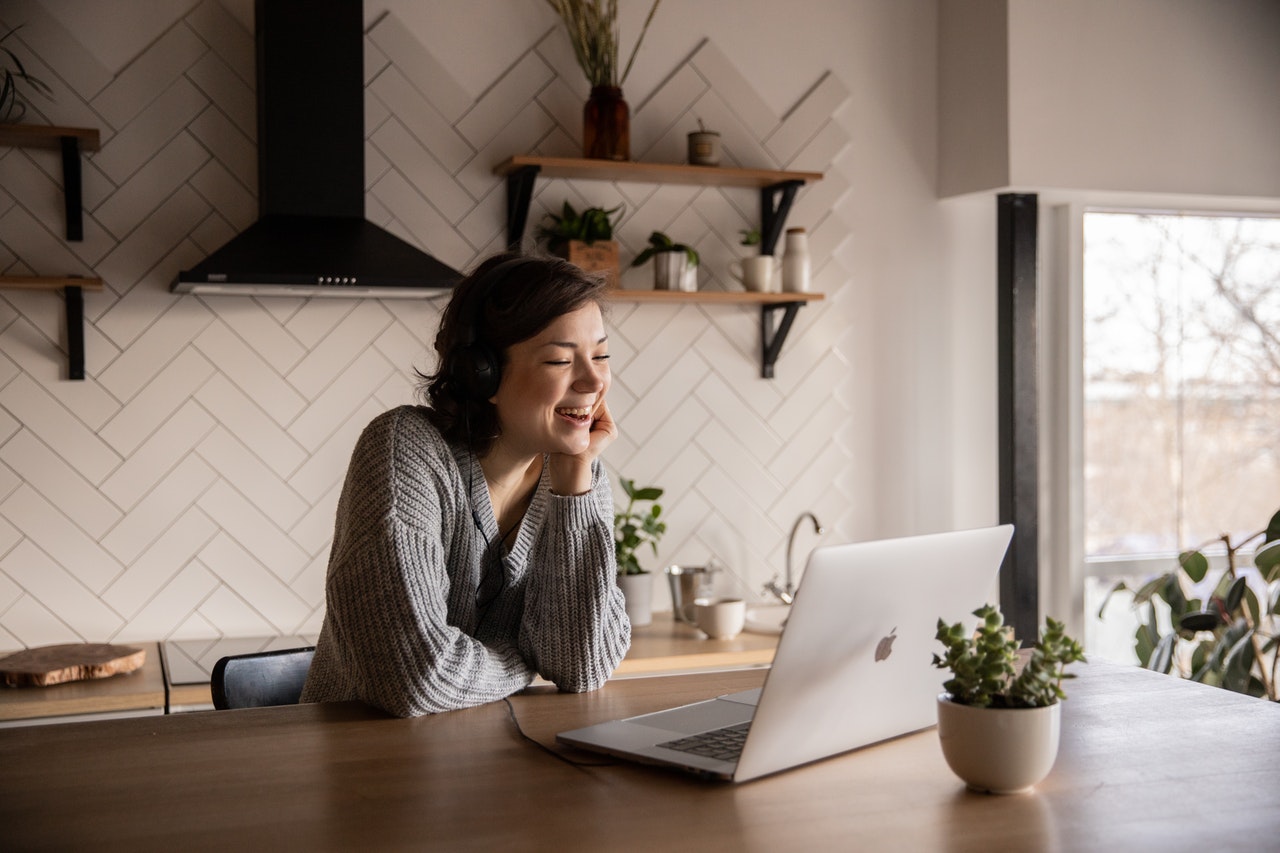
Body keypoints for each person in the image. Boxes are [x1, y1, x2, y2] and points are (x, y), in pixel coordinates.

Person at [301, 252, 630, 716]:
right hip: (363, 767)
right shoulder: (405, 449)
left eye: (601, 355)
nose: (594, 380)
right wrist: (522, 659)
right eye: (560, 360)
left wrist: (575, 487)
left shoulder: (579, 478)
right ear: (483, 375)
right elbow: (415, 677)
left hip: (488, 765)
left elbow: (581, 667)